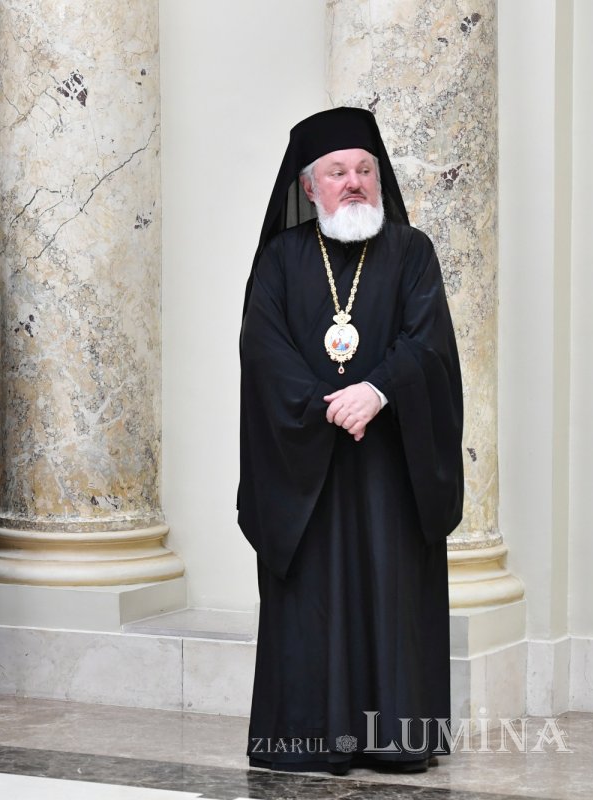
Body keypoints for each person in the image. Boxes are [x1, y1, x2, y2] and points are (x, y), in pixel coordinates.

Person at [237, 107, 464, 774]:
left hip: (393, 466)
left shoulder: (411, 250)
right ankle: (307, 737)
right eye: (336, 172)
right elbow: (262, 347)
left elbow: (430, 344)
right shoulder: (280, 259)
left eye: (364, 169)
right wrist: (324, 405)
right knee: (315, 599)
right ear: (309, 187)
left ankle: (396, 738)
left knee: (392, 594)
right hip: (309, 469)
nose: (354, 182)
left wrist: (378, 390)